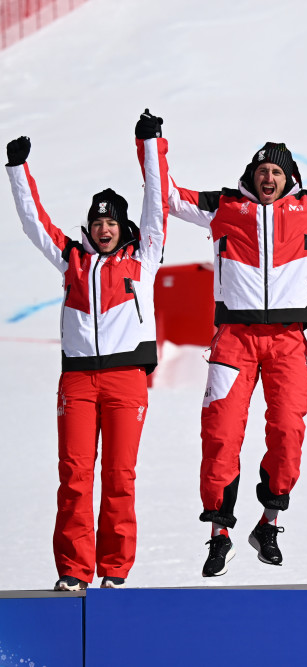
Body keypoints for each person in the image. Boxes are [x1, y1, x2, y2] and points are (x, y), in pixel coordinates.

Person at [139, 109, 307, 577]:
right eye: (261, 171)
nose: (267, 177)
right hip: (233, 340)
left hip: (289, 342)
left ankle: (268, 523)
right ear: (251, 175)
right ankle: (219, 534)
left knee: (289, 432)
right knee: (221, 434)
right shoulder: (225, 206)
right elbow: (164, 194)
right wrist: (152, 142)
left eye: (275, 171)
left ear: (289, 176)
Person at [5, 112, 168, 590]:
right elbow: (35, 223)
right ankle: (74, 571)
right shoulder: (70, 258)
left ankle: (114, 572)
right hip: (76, 381)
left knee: (120, 477)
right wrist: (18, 170)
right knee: (75, 476)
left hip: (126, 381)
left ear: (124, 229)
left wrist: (151, 143)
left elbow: (156, 203)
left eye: (111, 222)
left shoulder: (144, 258)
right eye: (97, 222)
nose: (103, 228)